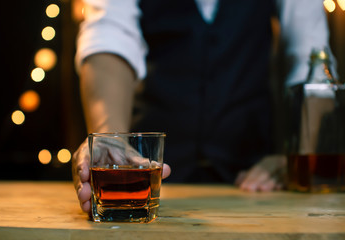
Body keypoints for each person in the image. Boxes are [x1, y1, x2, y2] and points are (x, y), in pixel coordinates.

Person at [72, 0, 335, 213]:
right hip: (150, 179)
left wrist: (299, 155)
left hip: (253, 185)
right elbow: (109, 33)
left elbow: (310, 57)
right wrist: (109, 139)